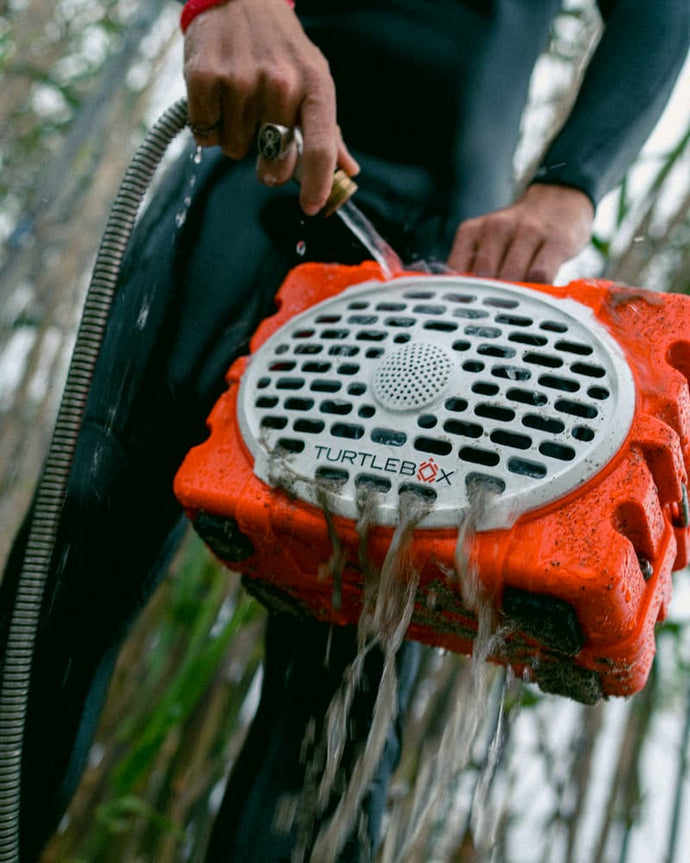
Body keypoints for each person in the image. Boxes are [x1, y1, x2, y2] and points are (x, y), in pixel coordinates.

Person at [1, 0, 688, 859]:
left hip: (442, 258)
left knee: (344, 697)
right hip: (252, 167)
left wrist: (572, 181)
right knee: (81, 542)